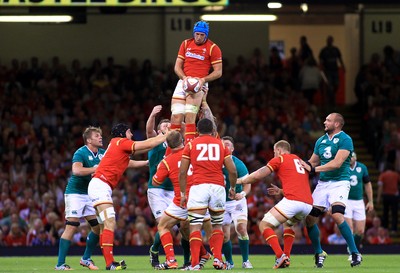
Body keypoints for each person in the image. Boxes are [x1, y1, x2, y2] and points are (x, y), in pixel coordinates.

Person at [88, 123, 169, 270]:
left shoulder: (116, 146)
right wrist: (166, 136)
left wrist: (146, 162)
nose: (131, 135)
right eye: (129, 132)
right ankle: (109, 263)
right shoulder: (120, 142)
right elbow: (145, 144)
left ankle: (109, 263)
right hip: (100, 186)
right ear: (123, 133)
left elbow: (128, 162)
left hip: (98, 186)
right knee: (110, 223)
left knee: (103, 226)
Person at [301, 112, 362, 268]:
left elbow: (337, 163)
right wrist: (301, 165)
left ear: (337, 124)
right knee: (310, 219)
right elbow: (312, 161)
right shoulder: (320, 141)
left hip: (340, 182)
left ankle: (355, 252)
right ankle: (319, 253)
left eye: (328, 120)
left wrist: (313, 169)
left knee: (336, 213)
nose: (324, 122)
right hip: (323, 183)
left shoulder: (345, 139)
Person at [240, 140, 313, 269]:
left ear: (279, 150)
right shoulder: (299, 161)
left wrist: (242, 180)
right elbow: (299, 186)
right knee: (288, 223)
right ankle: (287, 257)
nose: (274, 154)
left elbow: (258, 175)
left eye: (274, 152)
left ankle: (280, 256)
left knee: (264, 225)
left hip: (293, 201)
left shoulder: (280, 159)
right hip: (307, 204)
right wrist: (280, 191)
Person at [179, 118, 237, 270]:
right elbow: (232, 170)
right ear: (213, 130)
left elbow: (183, 172)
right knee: (217, 225)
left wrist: (183, 193)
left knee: (195, 226)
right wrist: (232, 188)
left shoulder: (191, 145)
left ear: (197, 131)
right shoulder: (221, 145)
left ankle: (194, 264)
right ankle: (218, 259)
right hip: (218, 187)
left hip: (199, 187)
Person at [55, 126, 105, 271]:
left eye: (100, 135)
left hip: (90, 193)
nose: (100, 137)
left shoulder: (102, 153)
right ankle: (60, 264)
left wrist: (145, 163)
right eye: (97, 136)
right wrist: (96, 168)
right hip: (75, 193)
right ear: (89, 140)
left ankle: (86, 258)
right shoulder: (80, 152)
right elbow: (76, 170)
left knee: (97, 227)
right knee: (72, 225)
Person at [171, 20, 222, 144]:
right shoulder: (185, 44)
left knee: (190, 116)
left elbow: (218, 72)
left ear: (206, 35)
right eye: (197, 34)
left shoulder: (213, 48)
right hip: (184, 82)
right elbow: (177, 67)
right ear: (194, 33)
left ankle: (189, 146)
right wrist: (184, 78)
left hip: (199, 85)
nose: (198, 37)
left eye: (202, 35)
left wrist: (203, 80)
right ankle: (170, 151)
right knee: (176, 116)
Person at [145, 105, 175, 268]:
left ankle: (155, 249)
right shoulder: (155, 140)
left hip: (172, 189)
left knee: (174, 226)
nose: (168, 126)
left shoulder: (176, 142)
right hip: (156, 188)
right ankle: (169, 258)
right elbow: (149, 129)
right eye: (164, 125)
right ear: (158, 130)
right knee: (163, 223)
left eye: (170, 124)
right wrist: (152, 114)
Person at [220, 136, 253, 270]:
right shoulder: (214, 163)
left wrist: (242, 194)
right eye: (223, 145)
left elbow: (248, 183)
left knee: (241, 229)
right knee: (224, 235)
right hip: (220, 203)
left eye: (228, 145)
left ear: (232, 149)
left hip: (236, 203)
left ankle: (246, 261)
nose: (225, 147)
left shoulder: (238, 164)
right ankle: (229, 262)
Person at [344, 152, 374, 257]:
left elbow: (367, 184)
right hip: (346, 200)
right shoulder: (343, 167)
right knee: (350, 228)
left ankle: (353, 248)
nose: (351, 159)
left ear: (356, 158)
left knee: (360, 231)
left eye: (352, 157)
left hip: (359, 201)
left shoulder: (362, 167)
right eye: (349, 157)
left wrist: (370, 201)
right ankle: (354, 252)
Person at [318, 36, 345, 107]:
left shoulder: (336, 49)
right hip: (327, 71)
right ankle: (330, 101)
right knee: (329, 86)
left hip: (335, 70)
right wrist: (321, 68)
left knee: (336, 84)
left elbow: (340, 58)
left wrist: (343, 66)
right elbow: (320, 60)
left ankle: (332, 98)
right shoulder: (324, 50)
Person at [377, 163, 400, 236]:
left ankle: (385, 227)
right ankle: (394, 229)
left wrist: (378, 198)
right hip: (394, 196)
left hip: (386, 195)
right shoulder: (396, 175)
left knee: (385, 212)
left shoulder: (383, 175)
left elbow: (380, 187)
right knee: (394, 213)